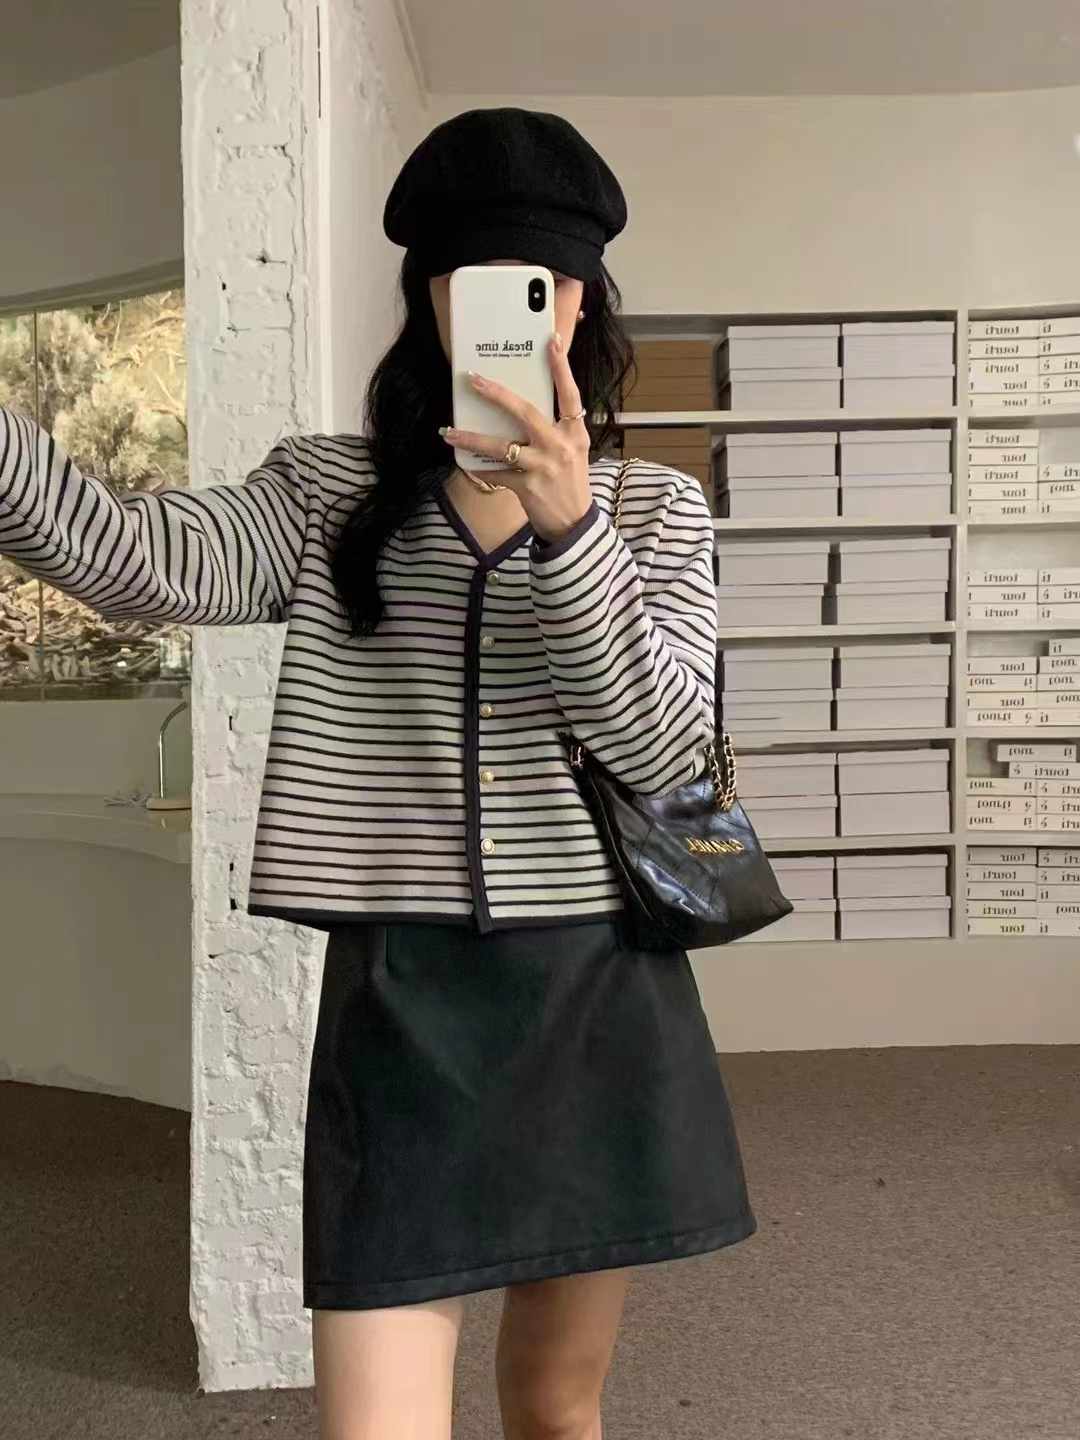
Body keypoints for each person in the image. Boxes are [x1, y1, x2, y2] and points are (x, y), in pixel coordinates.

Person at [0, 107, 756, 1440]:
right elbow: (132, 560)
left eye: (546, 283)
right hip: (401, 1005)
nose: (517, 311)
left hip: (596, 994)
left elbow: (660, 749)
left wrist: (569, 529)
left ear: (583, 303)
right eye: (482, 281)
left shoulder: (651, 509)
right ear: (431, 298)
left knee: (555, 1405)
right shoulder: (323, 496)